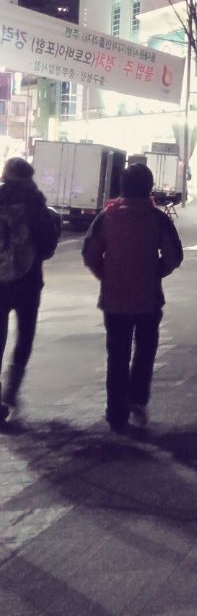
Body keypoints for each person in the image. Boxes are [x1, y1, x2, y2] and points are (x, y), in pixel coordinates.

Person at [82, 163, 183, 433]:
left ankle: (116, 414)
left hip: (114, 299)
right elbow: (174, 256)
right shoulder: (157, 219)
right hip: (148, 298)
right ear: (149, 187)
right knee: (145, 350)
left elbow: (90, 254)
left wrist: (106, 275)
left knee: (117, 355)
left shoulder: (106, 217)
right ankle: (137, 398)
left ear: (122, 186)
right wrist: (156, 272)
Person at [0, 157, 60, 423]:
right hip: (28, 282)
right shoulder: (37, 204)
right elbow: (47, 247)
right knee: (24, 337)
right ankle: (10, 392)